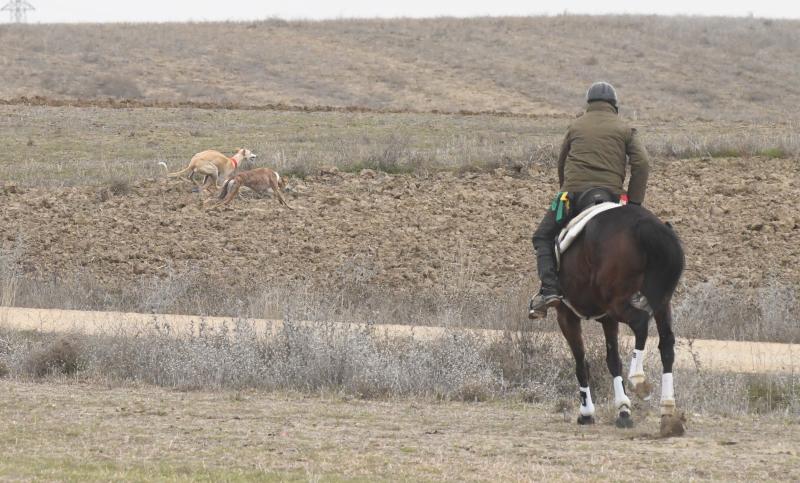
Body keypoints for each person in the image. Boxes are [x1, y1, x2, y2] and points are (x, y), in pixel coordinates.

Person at [528, 81, 650, 319]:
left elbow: (562, 163)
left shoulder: (575, 126)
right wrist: (634, 203)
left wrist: (566, 188)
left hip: (573, 196)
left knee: (542, 236)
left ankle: (549, 290)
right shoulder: (625, 129)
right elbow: (642, 163)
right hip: (612, 197)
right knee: (642, 239)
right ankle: (640, 290)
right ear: (614, 105)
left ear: (589, 104)